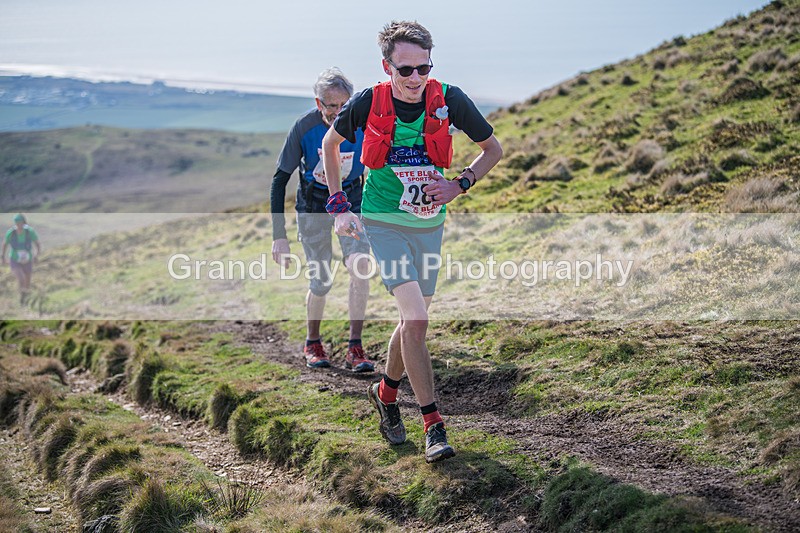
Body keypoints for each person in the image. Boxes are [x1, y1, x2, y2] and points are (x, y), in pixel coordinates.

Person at [321, 21, 503, 462]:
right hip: (383, 222)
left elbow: (493, 149)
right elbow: (330, 145)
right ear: (387, 66)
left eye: (424, 67)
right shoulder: (369, 100)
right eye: (406, 70)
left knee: (411, 321)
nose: (416, 77)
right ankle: (433, 424)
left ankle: (385, 393)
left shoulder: (449, 99)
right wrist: (339, 204)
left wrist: (460, 184)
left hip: (428, 223)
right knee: (417, 320)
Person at [270, 67, 375, 372]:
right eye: (331, 106)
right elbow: (280, 180)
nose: (338, 112)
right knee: (322, 278)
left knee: (361, 265)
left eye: (344, 105)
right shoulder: (304, 127)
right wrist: (279, 235)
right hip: (314, 204)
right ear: (319, 104)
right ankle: (312, 341)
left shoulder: (362, 124)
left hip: (352, 199)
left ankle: (355, 347)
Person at [2, 213, 41, 304]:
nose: (19, 225)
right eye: (17, 223)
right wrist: (3, 257)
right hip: (15, 259)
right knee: (21, 278)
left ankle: (25, 298)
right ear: (15, 224)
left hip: (28, 260)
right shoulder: (11, 233)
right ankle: (21, 298)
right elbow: (5, 244)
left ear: (24, 222)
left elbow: (37, 243)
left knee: (27, 281)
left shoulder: (30, 231)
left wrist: (36, 255)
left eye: (21, 223)